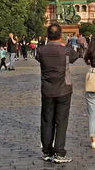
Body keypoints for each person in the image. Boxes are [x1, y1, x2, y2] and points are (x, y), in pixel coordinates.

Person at [36, 23, 79, 163]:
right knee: (61, 121)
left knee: (47, 120)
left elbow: (38, 57)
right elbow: (75, 56)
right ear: (61, 36)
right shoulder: (66, 51)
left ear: (47, 36)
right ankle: (59, 152)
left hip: (47, 90)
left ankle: (47, 151)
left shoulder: (41, 50)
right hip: (63, 90)